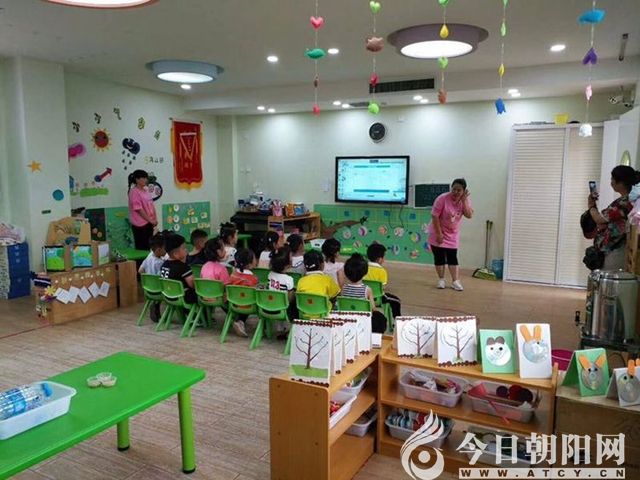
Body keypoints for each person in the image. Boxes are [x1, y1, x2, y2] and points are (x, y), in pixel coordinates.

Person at [588, 166, 638, 270]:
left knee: (610, 277)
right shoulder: (629, 200)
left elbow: (598, 219)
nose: (611, 182)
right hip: (617, 248)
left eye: (612, 178)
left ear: (621, 182)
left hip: (616, 249)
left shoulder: (624, 202)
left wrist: (591, 205)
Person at [427, 178, 474, 291]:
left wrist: (464, 200)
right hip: (437, 230)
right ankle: (441, 279)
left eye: (459, 190)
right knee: (439, 257)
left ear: (463, 191)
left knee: (452, 257)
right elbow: (434, 216)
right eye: (454, 189)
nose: (455, 192)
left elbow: (469, 215)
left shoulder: (464, 200)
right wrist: (439, 234)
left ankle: (455, 281)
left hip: (452, 234)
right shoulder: (442, 198)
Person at [341, 253, 387, 334]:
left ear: (346, 273)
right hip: (363, 320)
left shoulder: (343, 288)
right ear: (365, 273)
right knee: (380, 318)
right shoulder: (367, 289)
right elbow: (373, 308)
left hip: (348, 319)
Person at [364, 243, 402, 318]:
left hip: (363, 296)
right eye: (384, 257)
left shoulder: (363, 267)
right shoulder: (382, 271)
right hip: (378, 299)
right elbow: (383, 287)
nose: (384, 259)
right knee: (397, 301)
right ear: (380, 259)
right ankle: (397, 321)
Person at [228, 248, 259, 337]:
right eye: (254, 258)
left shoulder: (233, 274)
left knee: (243, 298)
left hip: (233, 303)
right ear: (249, 264)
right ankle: (264, 328)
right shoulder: (253, 278)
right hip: (248, 305)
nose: (256, 260)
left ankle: (239, 321)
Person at [268, 246, 299, 334]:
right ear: (287, 264)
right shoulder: (288, 279)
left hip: (270, 306)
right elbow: (289, 299)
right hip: (284, 309)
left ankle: (280, 328)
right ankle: (295, 327)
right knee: (295, 301)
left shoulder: (270, 275)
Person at [159, 234, 196, 304]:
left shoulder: (164, 265)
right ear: (175, 254)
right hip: (183, 298)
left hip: (168, 295)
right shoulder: (183, 267)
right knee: (202, 295)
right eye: (184, 248)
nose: (186, 250)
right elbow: (192, 284)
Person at [138, 233, 167, 322]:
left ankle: (154, 304)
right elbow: (163, 277)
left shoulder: (149, 256)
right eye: (165, 249)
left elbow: (140, 270)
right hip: (159, 291)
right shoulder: (161, 263)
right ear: (158, 250)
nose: (166, 251)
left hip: (148, 289)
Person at [127, 170, 158, 250]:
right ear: (137, 179)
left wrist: (154, 219)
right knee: (142, 247)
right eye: (143, 178)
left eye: (146, 178)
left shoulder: (146, 190)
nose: (145, 180)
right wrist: (150, 220)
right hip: (140, 225)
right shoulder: (134, 192)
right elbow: (138, 209)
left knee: (149, 246)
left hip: (149, 223)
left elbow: (151, 205)